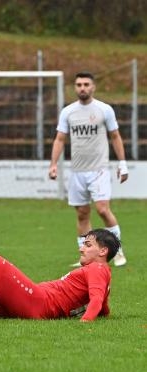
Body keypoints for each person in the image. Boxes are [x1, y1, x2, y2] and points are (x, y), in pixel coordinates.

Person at [49, 72, 128, 267]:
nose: (82, 88)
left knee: (102, 209)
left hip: (99, 169)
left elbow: (115, 136)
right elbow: (60, 139)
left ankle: (117, 251)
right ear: (75, 88)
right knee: (82, 213)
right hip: (77, 171)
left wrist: (122, 163)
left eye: (86, 84)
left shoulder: (104, 109)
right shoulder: (68, 112)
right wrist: (53, 164)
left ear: (93, 87)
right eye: (78, 84)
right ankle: (86, 258)